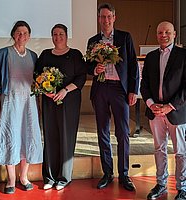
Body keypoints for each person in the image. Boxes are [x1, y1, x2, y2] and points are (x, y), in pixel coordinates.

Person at [86, 3, 139, 190]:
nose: (106, 20)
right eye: (102, 17)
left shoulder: (125, 38)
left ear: (114, 18)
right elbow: (87, 66)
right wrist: (94, 68)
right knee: (102, 132)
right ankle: (107, 173)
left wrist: (134, 90)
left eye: (109, 16)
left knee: (123, 132)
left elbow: (133, 65)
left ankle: (124, 174)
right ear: (99, 19)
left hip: (119, 89)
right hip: (100, 88)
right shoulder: (93, 40)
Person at [0, 21, 43, 194]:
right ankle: (11, 179)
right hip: (10, 102)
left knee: (28, 137)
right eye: (19, 33)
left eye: (25, 33)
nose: (22, 36)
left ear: (29, 36)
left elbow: (37, 83)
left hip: (29, 104)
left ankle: (24, 177)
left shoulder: (34, 56)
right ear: (13, 34)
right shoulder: (3, 53)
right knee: (10, 137)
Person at [35, 23, 87, 191]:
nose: (58, 37)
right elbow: (37, 76)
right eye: (55, 34)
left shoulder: (75, 55)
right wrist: (45, 90)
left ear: (66, 35)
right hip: (49, 101)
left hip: (69, 101)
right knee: (50, 136)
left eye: (61, 34)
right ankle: (49, 177)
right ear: (52, 37)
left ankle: (64, 177)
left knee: (66, 136)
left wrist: (65, 90)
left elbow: (81, 78)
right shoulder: (44, 55)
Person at [140, 21, 186, 200]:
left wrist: (169, 106)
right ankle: (161, 184)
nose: (163, 35)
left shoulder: (183, 55)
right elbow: (144, 85)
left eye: (167, 32)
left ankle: (182, 187)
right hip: (155, 112)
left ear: (174, 34)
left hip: (177, 112)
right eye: (160, 32)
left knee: (181, 151)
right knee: (159, 149)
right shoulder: (150, 57)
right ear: (156, 35)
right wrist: (151, 104)